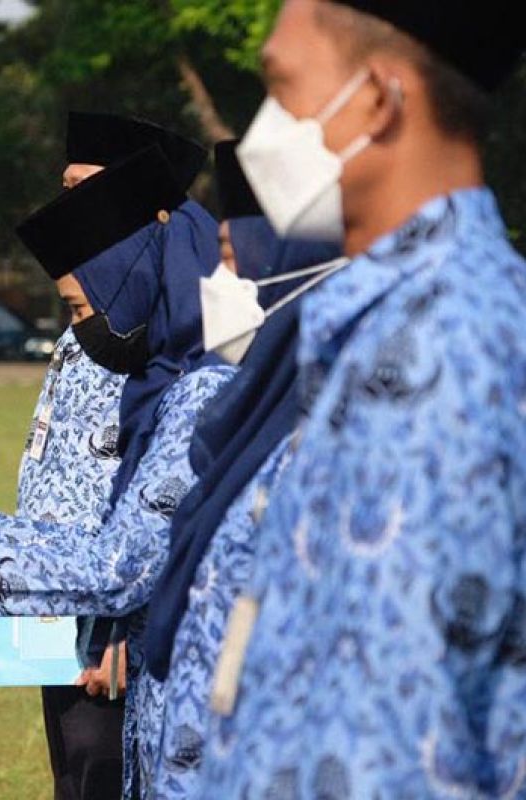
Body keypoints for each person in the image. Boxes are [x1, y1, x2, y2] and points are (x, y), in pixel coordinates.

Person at [191, 3, 526, 797]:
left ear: (377, 100)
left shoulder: (438, 351)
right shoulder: (394, 321)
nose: (266, 129)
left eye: (282, 85)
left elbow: (394, 757)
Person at [0, 141, 234, 798]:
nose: (83, 330)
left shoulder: (199, 397)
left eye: (80, 309)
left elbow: (117, 568)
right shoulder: (168, 384)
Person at [139, 140, 342, 799]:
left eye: (229, 257)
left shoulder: (332, 417)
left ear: (287, 259)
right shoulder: (242, 403)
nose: (214, 283)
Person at [16, 112, 209, 800]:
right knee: (73, 777)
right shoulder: (92, 327)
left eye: (83, 187)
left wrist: (124, 626)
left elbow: (160, 502)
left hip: (117, 619)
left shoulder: (165, 340)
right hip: (51, 603)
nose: (68, 207)